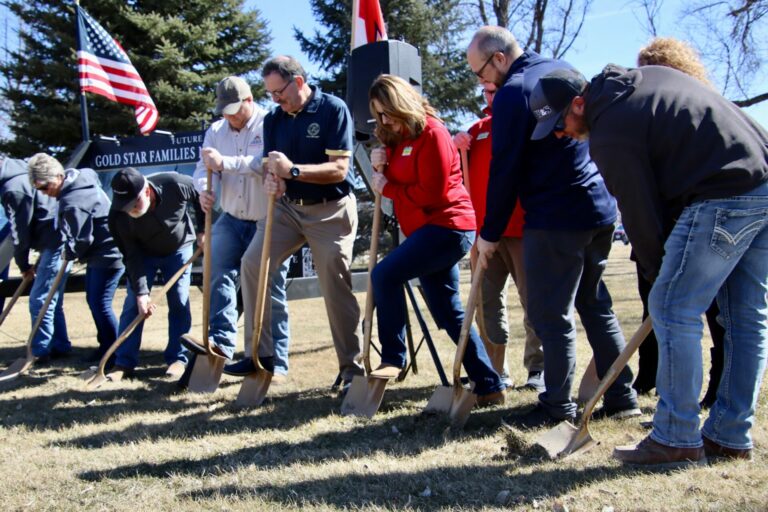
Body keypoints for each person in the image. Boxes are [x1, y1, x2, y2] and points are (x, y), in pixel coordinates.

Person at [530, 63, 768, 466]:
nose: (560, 133)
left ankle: (676, 437)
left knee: (674, 308)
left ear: (577, 102)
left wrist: (660, 277)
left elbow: (638, 213)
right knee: (745, 317)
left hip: (723, 192)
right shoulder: (646, 82)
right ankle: (730, 436)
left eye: (559, 122)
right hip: (761, 183)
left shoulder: (610, 131)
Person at [465, 26, 639, 428]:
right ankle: (621, 394)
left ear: (499, 59)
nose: (482, 81)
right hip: (598, 209)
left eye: (480, 72)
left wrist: (489, 232)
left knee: (549, 313)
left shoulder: (512, 92)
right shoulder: (562, 67)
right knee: (595, 304)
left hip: (557, 216)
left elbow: (504, 167)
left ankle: (557, 405)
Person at [367, 74, 505, 404]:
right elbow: (396, 170)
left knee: (384, 275)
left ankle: (393, 357)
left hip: (448, 227)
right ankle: (489, 385)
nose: (385, 120)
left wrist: (387, 188)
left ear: (402, 102)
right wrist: (380, 159)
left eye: (388, 112)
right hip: (423, 232)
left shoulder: (433, 133)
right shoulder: (396, 138)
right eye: (378, 115)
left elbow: (432, 191)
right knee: (448, 312)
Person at [231, 55, 364, 390]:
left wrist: (291, 170)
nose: (275, 100)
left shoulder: (333, 110)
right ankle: (261, 357)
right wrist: (272, 179)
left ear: (299, 82)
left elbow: (339, 171)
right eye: (270, 94)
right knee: (252, 264)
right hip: (288, 209)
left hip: (330, 209)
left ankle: (352, 370)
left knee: (333, 283)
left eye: (279, 92)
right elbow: (270, 166)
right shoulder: (274, 119)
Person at [633, 37, 724, 408]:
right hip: (657, 218)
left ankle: (716, 386)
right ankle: (648, 374)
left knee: (714, 310)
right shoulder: (647, 111)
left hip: (697, 217)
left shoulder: (699, 106)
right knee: (650, 302)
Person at [189, 76, 291, 378]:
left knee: (270, 288)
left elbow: (265, 163)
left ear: (249, 101)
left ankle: (276, 359)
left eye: (235, 109)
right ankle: (221, 343)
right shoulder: (216, 131)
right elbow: (204, 169)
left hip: (268, 219)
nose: (230, 117)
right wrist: (204, 190)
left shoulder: (270, 123)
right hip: (231, 218)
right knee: (215, 272)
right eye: (225, 111)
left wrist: (226, 164)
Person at [453, 86, 544, 391]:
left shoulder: (525, 121)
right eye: (485, 92)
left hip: (522, 229)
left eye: (496, 91)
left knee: (535, 301)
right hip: (484, 234)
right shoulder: (475, 132)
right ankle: (497, 370)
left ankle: (539, 369)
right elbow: (458, 177)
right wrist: (457, 146)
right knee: (486, 303)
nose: (490, 97)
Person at [107, 167, 204, 379]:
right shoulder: (117, 218)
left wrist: (203, 229)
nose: (129, 209)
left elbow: (200, 193)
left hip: (179, 248)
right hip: (143, 255)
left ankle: (178, 358)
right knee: (134, 304)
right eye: (125, 206)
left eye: (134, 203)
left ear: (147, 192)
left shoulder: (175, 184)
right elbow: (131, 256)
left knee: (179, 300)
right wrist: (142, 293)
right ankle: (123, 363)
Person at [27, 153, 124, 363]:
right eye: (39, 190)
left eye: (46, 187)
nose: (45, 193)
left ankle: (116, 352)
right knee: (94, 301)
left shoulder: (72, 202)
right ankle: (106, 346)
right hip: (101, 254)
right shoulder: (82, 178)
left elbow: (82, 239)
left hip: (108, 254)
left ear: (59, 176)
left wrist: (70, 253)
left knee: (101, 303)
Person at [0, 157, 70, 363]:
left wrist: (23, 265)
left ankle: (40, 350)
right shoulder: (22, 173)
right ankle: (60, 344)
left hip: (54, 241)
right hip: (57, 238)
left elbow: (19, 232)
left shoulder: (13, 189)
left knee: (39, 300)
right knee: (51, 300)